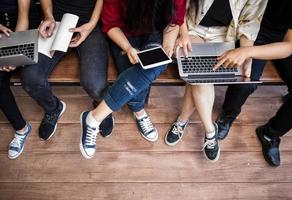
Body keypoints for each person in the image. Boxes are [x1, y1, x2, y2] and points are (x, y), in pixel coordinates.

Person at [79, 0, 186, 159]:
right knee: (131, 73)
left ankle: (94, 118)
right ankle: (139, 112)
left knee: (155, 65)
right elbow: (110, 24)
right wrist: (128, 48)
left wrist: (168, 46)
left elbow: (174, 20)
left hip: (156, 32)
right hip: (123, 34)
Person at [164, 0, 267, 162]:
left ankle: (182, 120)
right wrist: (183, 33)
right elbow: (180, 4)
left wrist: (246, 54)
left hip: (225, 35)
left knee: (197, 76)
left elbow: (250, 21)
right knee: (199, 72)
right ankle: (210, 130)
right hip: (193, 28)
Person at [214, 0, 292, 167]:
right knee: (246, 81)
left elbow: (289, 45)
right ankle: (228, 114)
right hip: (253, 24)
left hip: (288, 37)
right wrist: (246, 49)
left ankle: (270, 134)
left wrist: (247, 52)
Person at [21, 0, 112, 141]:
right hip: (57, 21)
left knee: (95, 85)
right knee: (30, 77)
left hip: (90, 23)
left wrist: (91, 25)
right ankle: (53, 108)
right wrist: (48, 17)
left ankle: (102, 107)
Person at [0, 0, 41, 159]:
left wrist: (10, 53)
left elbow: (24, 15)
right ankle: (22, 128)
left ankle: (21, 129)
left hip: (23, 22)